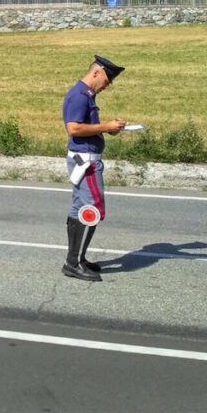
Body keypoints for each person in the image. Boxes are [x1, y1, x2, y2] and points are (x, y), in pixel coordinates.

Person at [62, 55, 126, 282]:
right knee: (93, 209)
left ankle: (76, 259)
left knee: (80, 208)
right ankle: (74, 262)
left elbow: (85, 127)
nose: (108, 85)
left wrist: (107, 129)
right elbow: (75, 129)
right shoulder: (80, 96)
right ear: (96, 72)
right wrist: (106, 126)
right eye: (108, 79)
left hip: (84, 159)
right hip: (86, 161)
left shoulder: (85, 95)